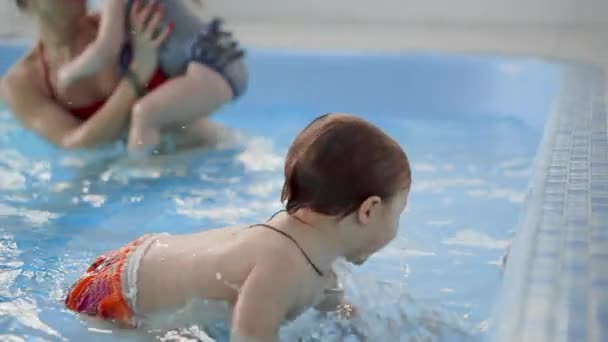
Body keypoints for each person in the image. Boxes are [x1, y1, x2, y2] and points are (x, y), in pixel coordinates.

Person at [65, 113, 412, 341]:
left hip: (138, 261)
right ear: (369, 210)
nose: (397, 227)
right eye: (399, 214)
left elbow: (342, 314)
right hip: (112, 297)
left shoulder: (311, 250)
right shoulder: (282, 266)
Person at [0, 0, 244, 153]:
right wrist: (137, 76)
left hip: (205, 151)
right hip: (130, 177)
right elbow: (72, 143)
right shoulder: (23, 82)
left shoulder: (129, 22)